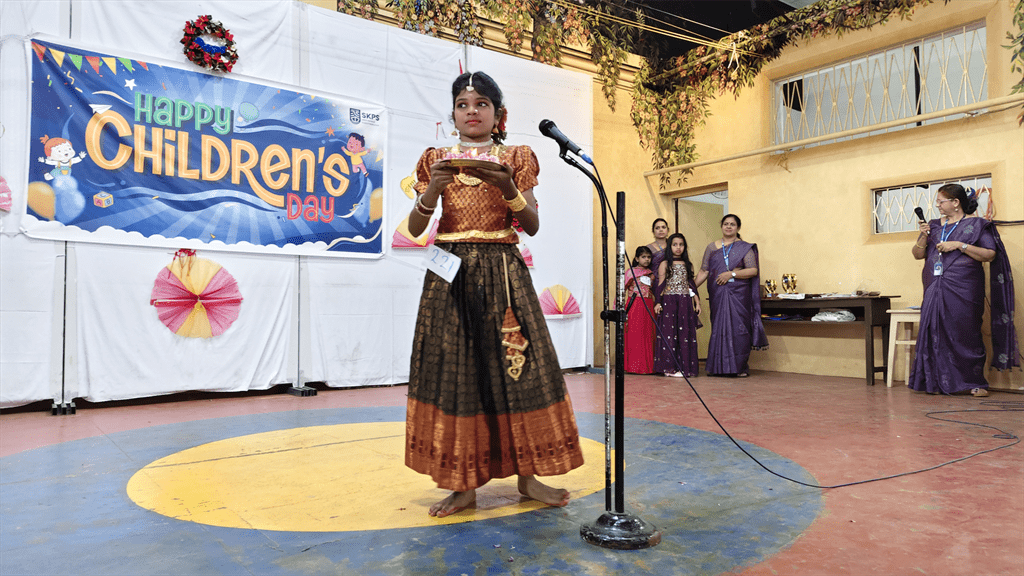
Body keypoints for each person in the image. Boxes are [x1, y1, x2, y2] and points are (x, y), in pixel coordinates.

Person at [404, 71, 584, 518]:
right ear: (452, 115)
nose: (472, 111)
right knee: (456, 375)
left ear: (498, 114)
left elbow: (532, 226)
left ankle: (528, 478)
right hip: (450, 278)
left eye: (482, 104)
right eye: (463, 105)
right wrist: (433, 189)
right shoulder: (435, 160)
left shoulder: (517, 156)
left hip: (504, 272)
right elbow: (415, 227)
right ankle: (462, 485)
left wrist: (507, 187)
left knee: (521, 372)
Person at [908, 184, 1019, 396]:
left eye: (941, 201)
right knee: (935, 332)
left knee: (965, 332)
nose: (937, 205)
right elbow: (917, 254)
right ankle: (935, 382)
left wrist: (959, 245)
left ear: (956, 202)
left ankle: (973, 383)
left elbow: (989, 254)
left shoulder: (977, 225)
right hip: (934, 287)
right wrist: (923, 235)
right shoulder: (934, 225)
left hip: (965, 288)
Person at [695, 214, 768, 377]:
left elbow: (753, 270)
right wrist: (689, 288)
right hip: (718, 294)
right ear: (721, 226)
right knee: (719, 328)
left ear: (738, 227)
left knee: (738, 330)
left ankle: (738, 367)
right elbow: (704, 271)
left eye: (732, 224)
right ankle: (717, 368)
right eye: (726, 224)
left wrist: (731, 274)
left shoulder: (744, 248)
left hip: (739, 295)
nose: (729, 227)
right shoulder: (711, 247)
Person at [654, 233, 702, 377]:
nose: (678, 248)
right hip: (669, 301)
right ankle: (669, 368)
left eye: (681, 245)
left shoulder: (688, 265)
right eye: (675, 244)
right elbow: (660, 285)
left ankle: (685, 368)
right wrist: (658, 302)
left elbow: (691, 285)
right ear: (670, 247)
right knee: (669, 333)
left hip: (685, 302)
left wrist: (697, 302)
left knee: (685, 333)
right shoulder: (664, 264)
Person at [624, 246, 656, 374]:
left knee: (648, 335)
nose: (646, 259)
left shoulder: (651, 273)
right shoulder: (630, 272)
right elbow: (621, 290)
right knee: (635, 335)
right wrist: (617, 308)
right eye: (643, 257)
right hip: (635, 305)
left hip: (648, 305)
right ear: (637, 258)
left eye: (649, 257)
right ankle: (634, 367)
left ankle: (648, 367)